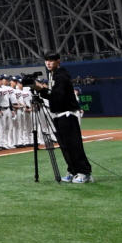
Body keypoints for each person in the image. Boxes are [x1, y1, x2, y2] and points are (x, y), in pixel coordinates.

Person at [37, 52, 93, 182]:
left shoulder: (61, 76)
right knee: (66, 146)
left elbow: (58, 97)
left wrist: (42, 90)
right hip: (59, 114)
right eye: (46, 60)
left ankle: (84, 172)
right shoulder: (53, 75)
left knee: (73, 145)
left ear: (58, 61)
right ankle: (73, 170)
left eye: (51, 60)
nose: (48, 63)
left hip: (66, 114)